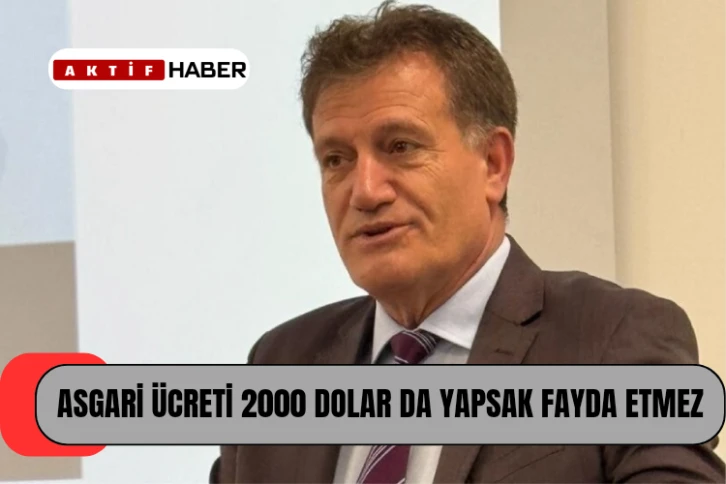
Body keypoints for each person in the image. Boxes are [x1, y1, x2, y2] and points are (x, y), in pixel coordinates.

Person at [210, 1, 725, 482]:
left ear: (493, 164)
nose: (364, 191)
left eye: (400, 146)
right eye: (336, 159)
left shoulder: (612, 341)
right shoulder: (281, 364)